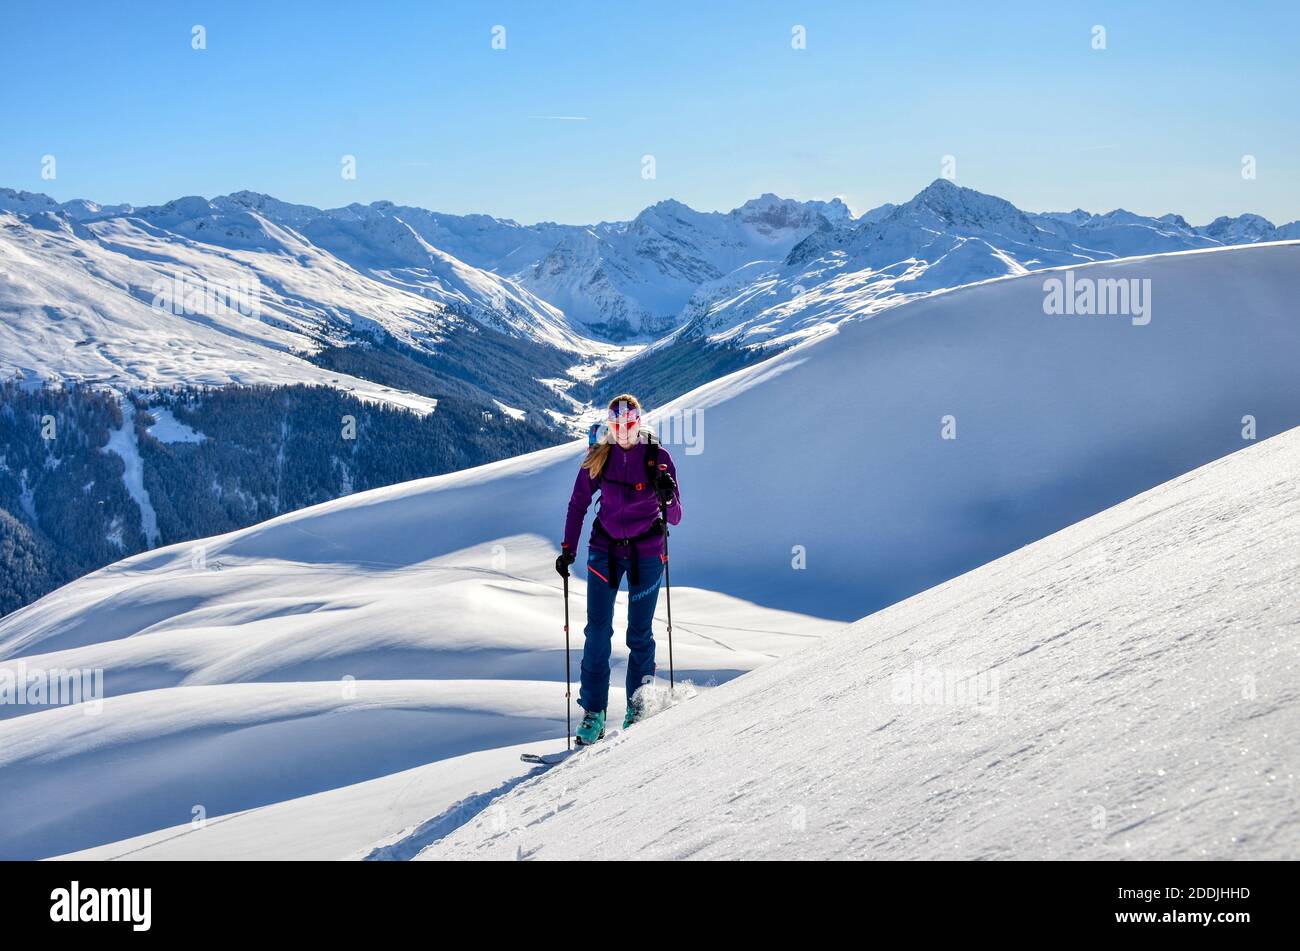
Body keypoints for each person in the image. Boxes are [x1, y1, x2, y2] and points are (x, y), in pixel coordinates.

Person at [555, 393, 682, 745]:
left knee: (639, 634)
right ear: (609, 426)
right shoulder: (601, 453)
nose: (623, 432)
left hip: (647, 552)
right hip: (604, 550)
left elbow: (676, 517)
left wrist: (667, 495)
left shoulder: (658, 458)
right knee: (597, 632)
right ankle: (593, 714)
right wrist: (568, 550)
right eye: (616, 426)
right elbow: (578, 502)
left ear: (638, 423)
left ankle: (638, 708)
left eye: (628, 425)